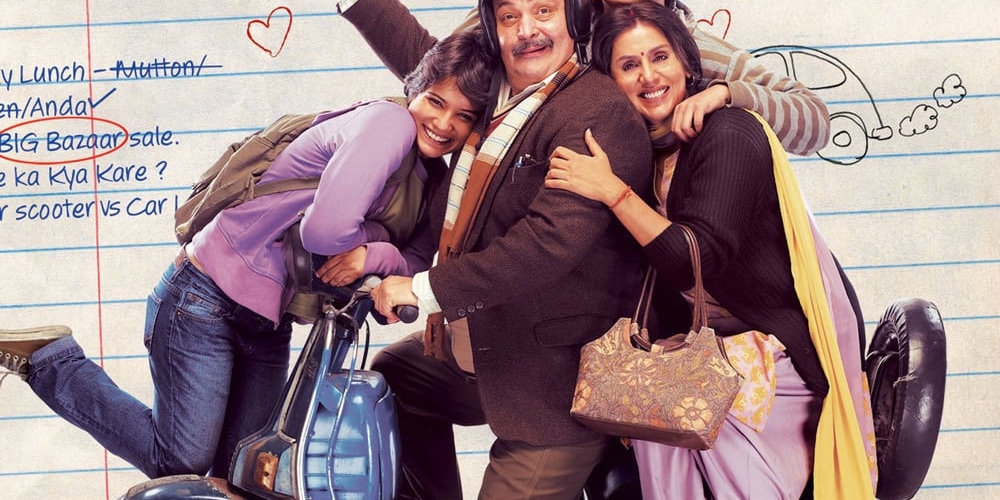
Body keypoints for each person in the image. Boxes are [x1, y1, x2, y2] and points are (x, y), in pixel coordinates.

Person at [0, 29, 494, 481]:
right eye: (436, 101)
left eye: (464, 115)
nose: (443, 123)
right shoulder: (388, 123)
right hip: (204, 298)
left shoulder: (435, 181)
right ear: (415, 88)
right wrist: (375, 249)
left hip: (268, 321)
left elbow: (410, 272)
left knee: (244, 475)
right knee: (180, 461)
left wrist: (372, 255)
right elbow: (324, 231)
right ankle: (52, 361)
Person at [544, 3, 876, 498]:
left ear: (688, 61)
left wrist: (612, 191)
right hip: (707, 345)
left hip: (775, 347)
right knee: (650, 403)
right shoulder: (643, 146)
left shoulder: (728, 131)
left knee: (703, 413)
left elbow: (695, 259)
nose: (648, 75)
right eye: (629, 65)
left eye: (660, 58)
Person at [343, 0, 654, 497]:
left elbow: (548, 243)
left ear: (574, 18)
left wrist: (423, 289)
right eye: (510, 16)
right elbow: (426, 63)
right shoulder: (492, 93)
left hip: (555, 387)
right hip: (486, 353)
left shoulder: (596, 110)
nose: (527, 30)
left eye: (544, 11)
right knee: (396, 373)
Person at [337, 0, 831, 158]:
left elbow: (814, 121)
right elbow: (439, 72)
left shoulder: (689, 43)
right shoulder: (542, 16)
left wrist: (727, 93)